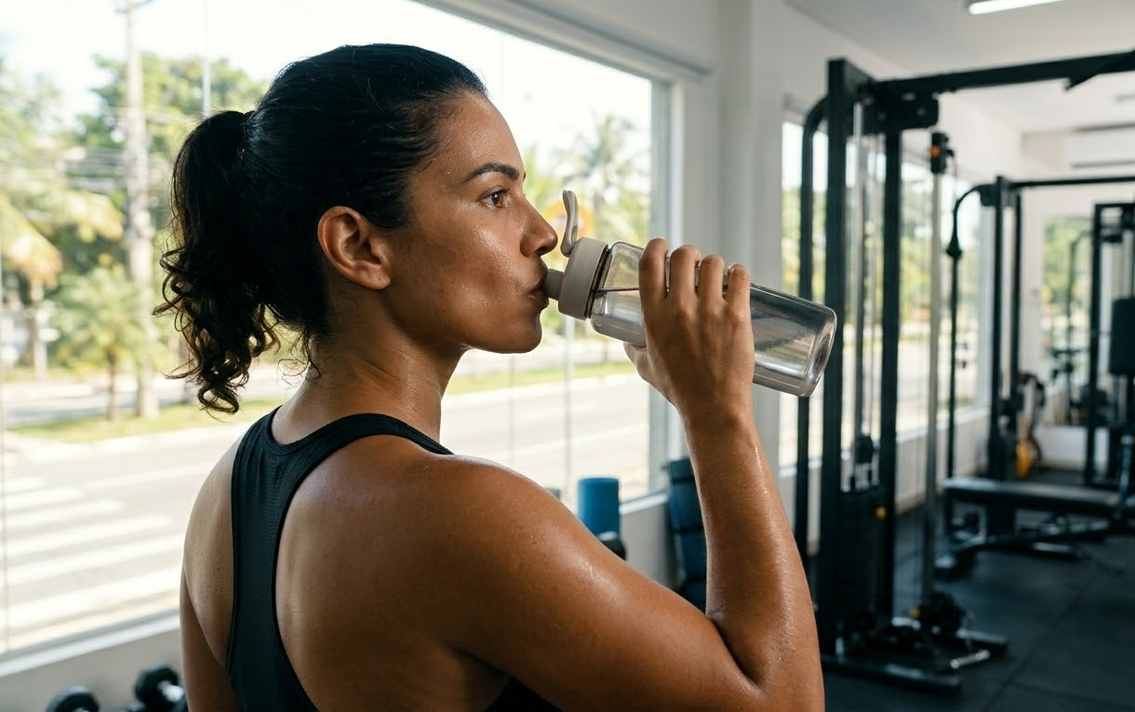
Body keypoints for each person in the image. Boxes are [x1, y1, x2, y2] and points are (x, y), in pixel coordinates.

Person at [158, 43, 823, 711]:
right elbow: (783, 704)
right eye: (495, 195)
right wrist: (717, 413)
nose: (542, 234)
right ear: (360, 247)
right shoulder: (463, 512)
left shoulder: (224, 496)